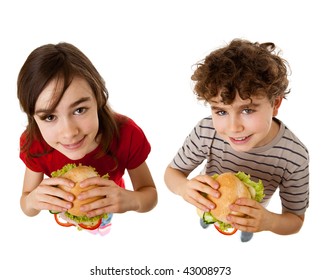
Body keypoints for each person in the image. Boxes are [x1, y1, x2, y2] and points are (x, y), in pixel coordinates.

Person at [164, 39, 309, 242]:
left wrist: (268, 222)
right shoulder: (206, 130)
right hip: (210, 202)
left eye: (247, 110)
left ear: (275, 104)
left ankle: (246, 232)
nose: (233, 128)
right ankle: (207, 220)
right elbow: (172, 173)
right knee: (207, 217)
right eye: (221, 111)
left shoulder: (294, 156)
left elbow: (295, 219)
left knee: (247, 226)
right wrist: (183, 188)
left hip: (253, 214)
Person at [17, 42, 157, 234]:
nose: (69, 133)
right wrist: (32, 201)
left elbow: (149, 193)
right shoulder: (34, 142)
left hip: (110, 206)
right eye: (49, 117)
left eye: (79, 110)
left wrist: (132, 200)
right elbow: (26, 204)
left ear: (99, 97)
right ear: (32, 117)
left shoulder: (126, 134)